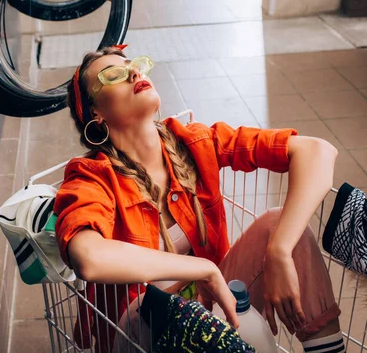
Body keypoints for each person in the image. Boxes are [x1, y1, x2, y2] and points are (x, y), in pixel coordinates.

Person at [53, 46, 345, 353]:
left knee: (277, 224)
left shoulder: (193, 142)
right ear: (96, 113)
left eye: (134, 65)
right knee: (155, 305)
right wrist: (203, 269)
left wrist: (279, 251)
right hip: (142, 331)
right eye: (113, 74)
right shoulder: (91, 176)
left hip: (208, 305)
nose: (135, 73)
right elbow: (88, 257)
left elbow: (317, 151)